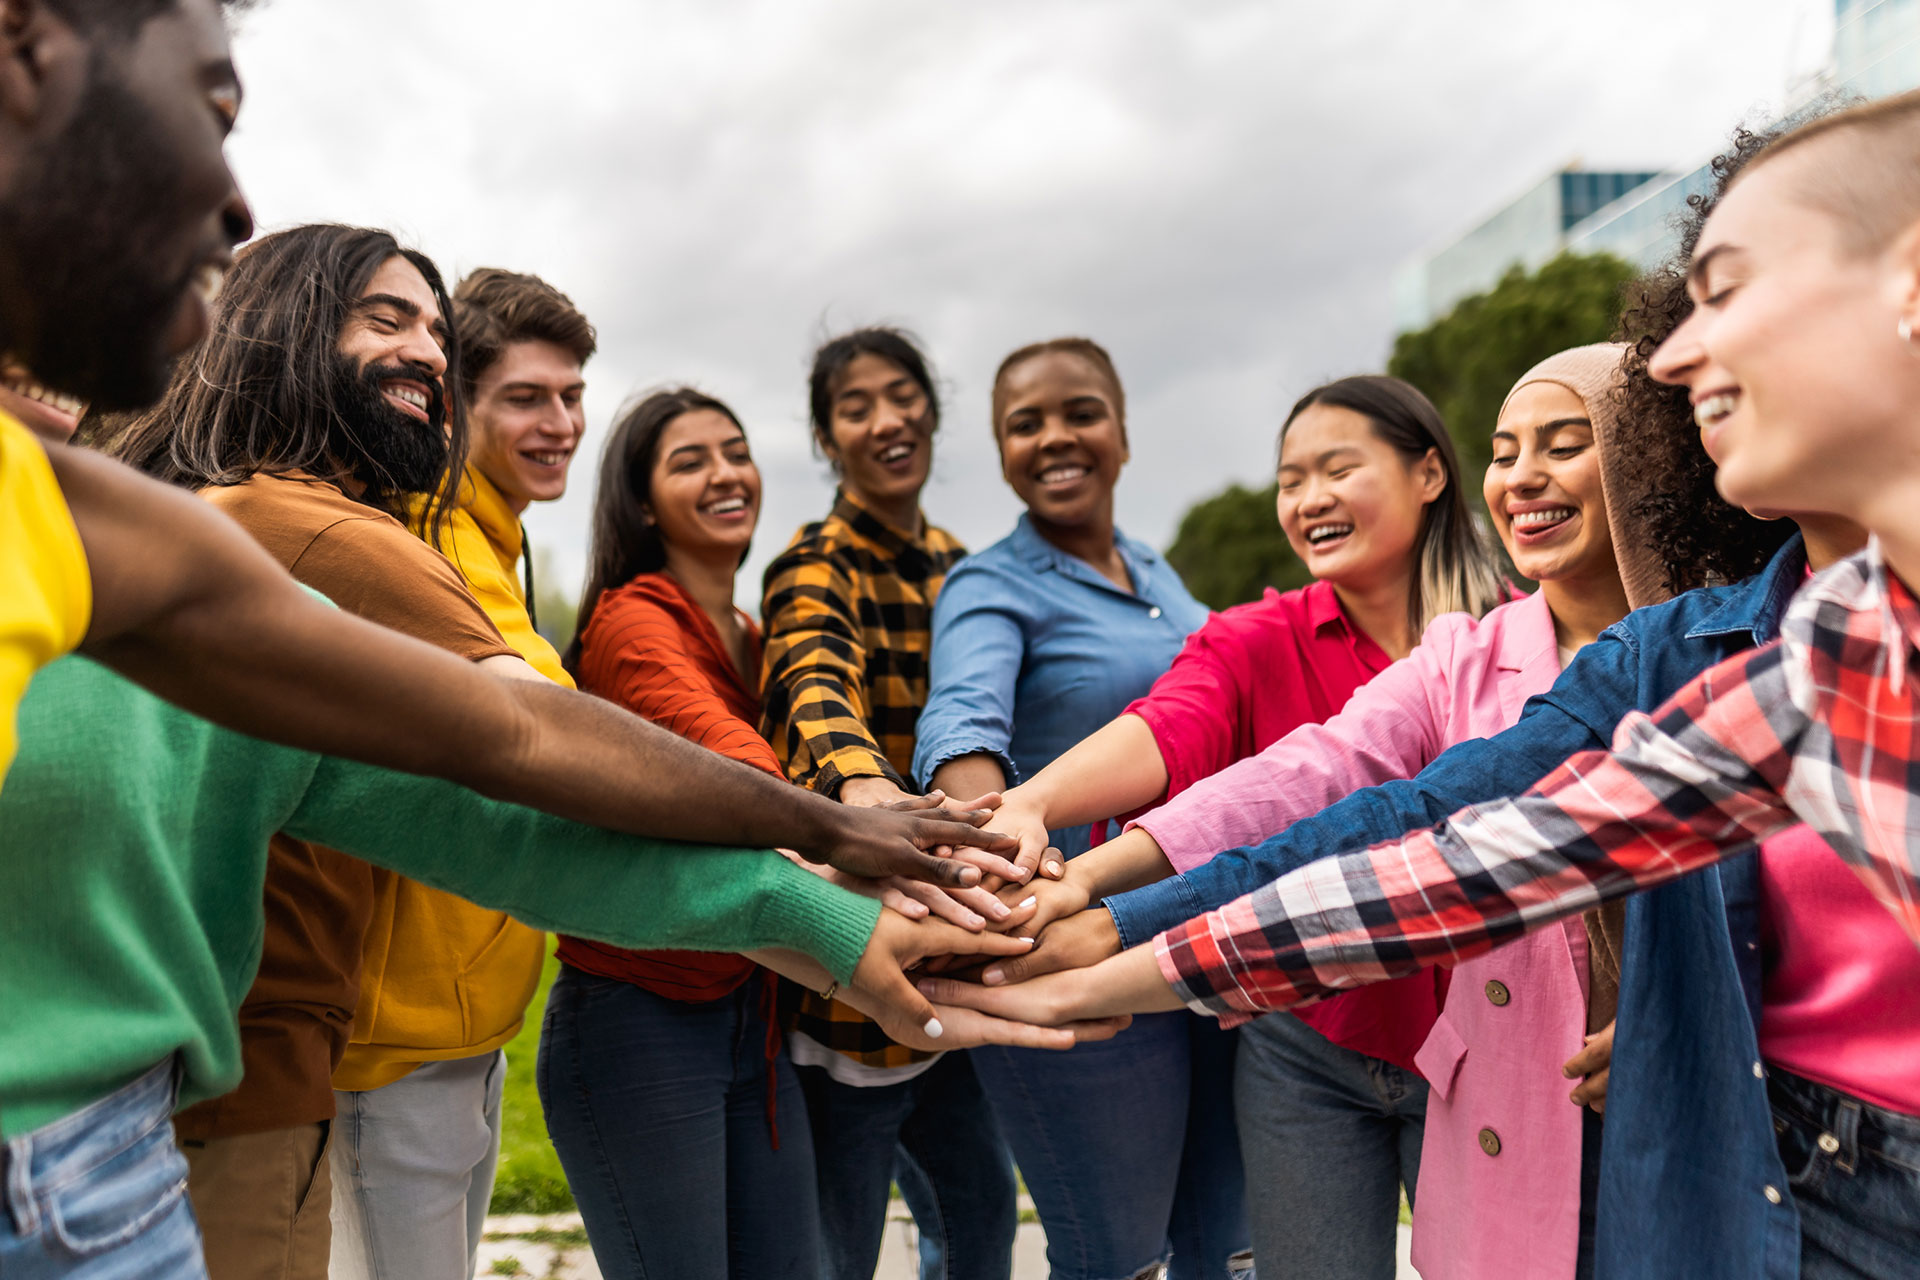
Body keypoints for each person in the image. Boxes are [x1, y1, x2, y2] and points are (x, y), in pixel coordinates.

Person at [930, 92, 1920, 1278]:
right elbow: (1435, 842)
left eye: (1734, 292)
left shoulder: (1760, 646)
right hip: (1721, 1164)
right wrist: (1090, 938)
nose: (1675, 357)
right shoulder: (1781, 658)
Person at [93, 228, 998, 1280]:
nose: (427, 353)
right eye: (387, 321)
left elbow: (489, 838)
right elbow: (531, 745)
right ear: (283, 329)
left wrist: (825, 917)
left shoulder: (284, 533)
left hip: (295, 1059)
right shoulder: (315, 529)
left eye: (435, 331)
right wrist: (831, 825)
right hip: (280, 1072)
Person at [1013, 344, 1632, 1277]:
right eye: (1505, 452)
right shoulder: (1459, 653)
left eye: (1337, 468)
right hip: (1358, 1040)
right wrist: (1083, 880)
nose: (1524, 476)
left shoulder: (1710, 638)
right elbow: (1305, 779)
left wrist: (1677, 1010)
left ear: (1428, 473)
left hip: (1560, 1072)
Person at [910, 337, 1242, 1279]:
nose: (1057, 438)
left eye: (1081, 412)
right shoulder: (991, 584)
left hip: (1198, 927)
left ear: (1124, 434)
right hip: (1070, 939)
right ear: (1002, 449)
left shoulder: (1158, 573)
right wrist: (996, 839)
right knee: (1118, 1259)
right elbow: (964, 722)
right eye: (1026, 424)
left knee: (1228, 1251)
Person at [314, 268, 598, 1280]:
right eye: (525, 397)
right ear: (458, 404)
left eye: (571, 395)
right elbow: (544, 738)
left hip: (465, 1025)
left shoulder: (493, 538)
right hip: (396, 1045)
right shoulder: (427, 544)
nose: (559, 421)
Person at [537, 388, 823, 1278]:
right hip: (641, 1013)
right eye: (688, 461)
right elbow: (732, 762)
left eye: (734, 451)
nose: (725, 474)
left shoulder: (752, 631)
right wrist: (858, 834)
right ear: (641, 501)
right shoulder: (630, 622)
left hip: (751, 1012)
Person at [760, 327, 1020, 1280]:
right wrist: (861, 794)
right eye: (854, 407)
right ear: (829, 440)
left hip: (958, 947)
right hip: (860, 954)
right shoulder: (815, 561)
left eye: (901, 396)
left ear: (933, 411)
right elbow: (812, 674)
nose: (885, 420)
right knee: (838, 1247)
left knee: (982, 1220)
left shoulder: (966, 565)